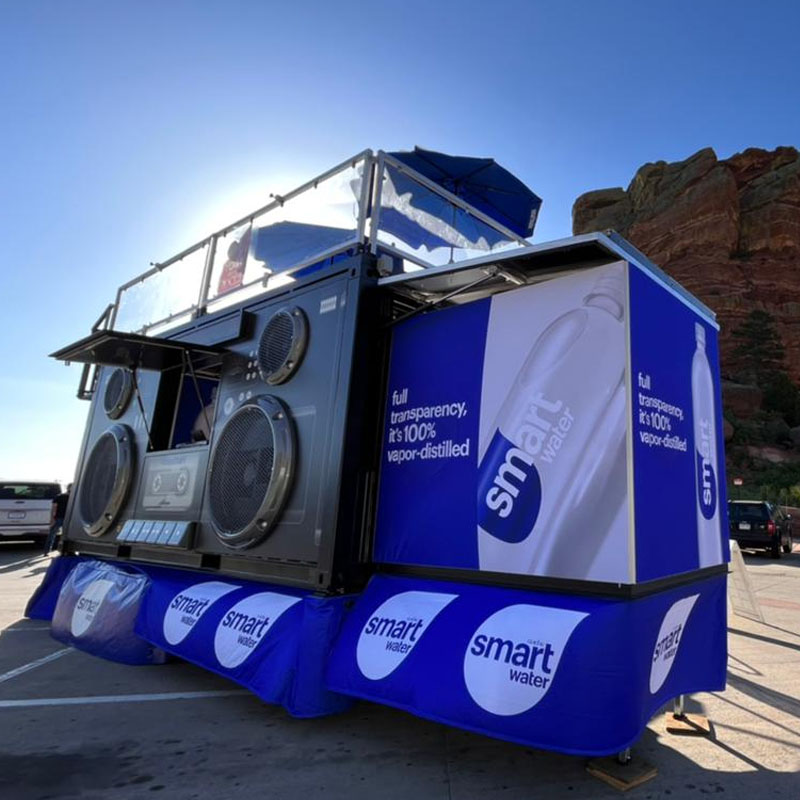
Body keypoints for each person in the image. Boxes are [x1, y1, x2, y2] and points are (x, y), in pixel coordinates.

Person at [45, 484, 70, 554]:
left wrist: (52, 518)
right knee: (63, 536)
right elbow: (54, 508)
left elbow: (53, 508)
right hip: (64, 519)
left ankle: (47, 551)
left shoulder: (59, 496)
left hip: (60, 518)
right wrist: (52, 518)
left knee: (53, 535)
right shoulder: (67, 497)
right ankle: (62, 551)